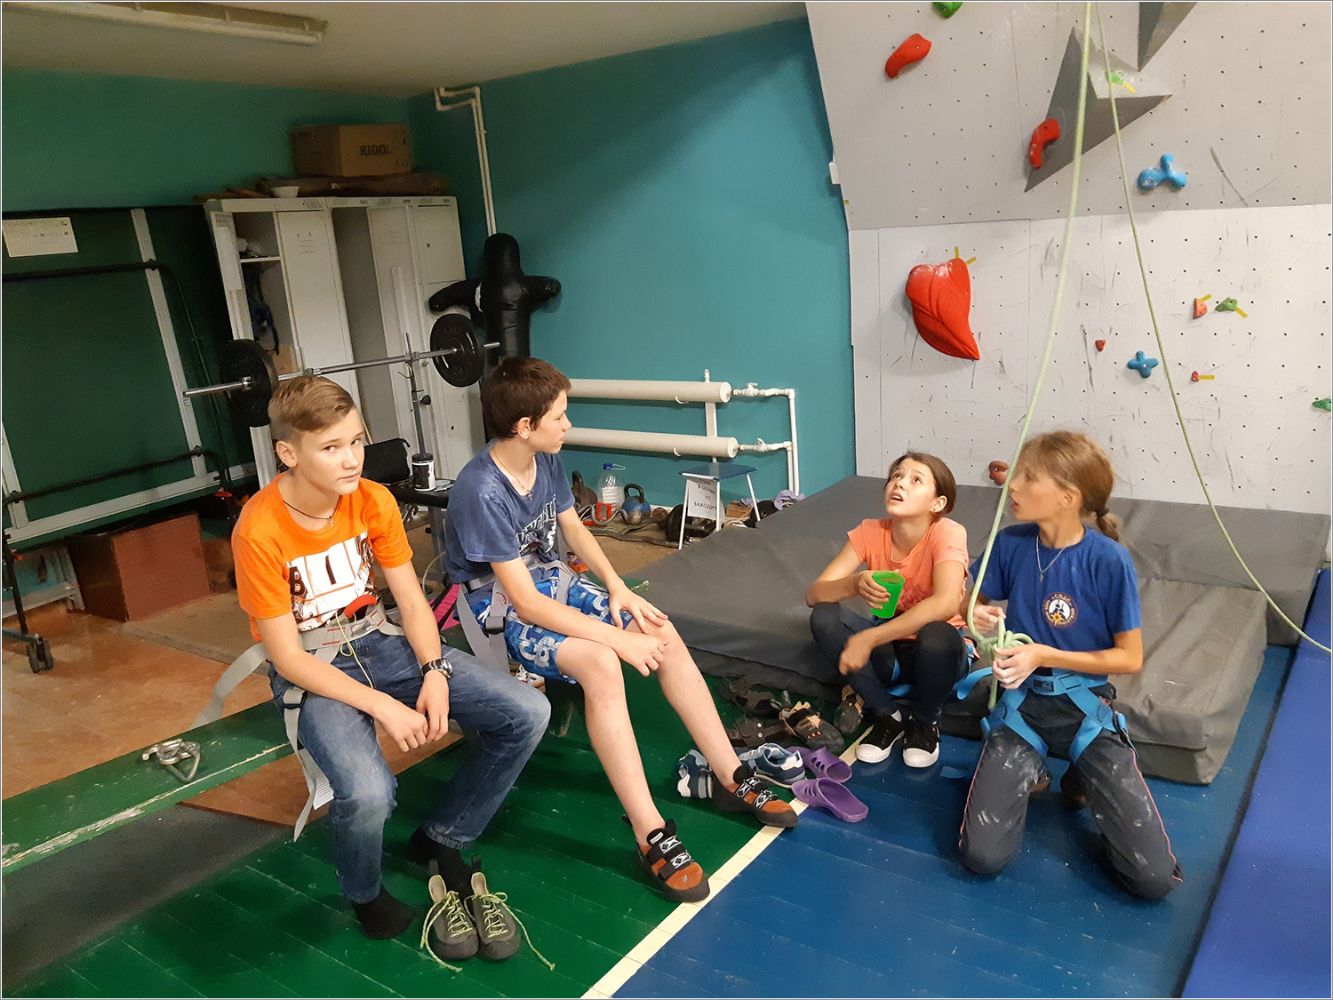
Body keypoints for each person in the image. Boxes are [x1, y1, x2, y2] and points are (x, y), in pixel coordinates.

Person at [444, 356, 797, 904]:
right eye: (559, 417)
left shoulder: (545, 457)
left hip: (550, 583)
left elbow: (574, 532)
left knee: (660, 628)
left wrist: (618, 589)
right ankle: (649, 831)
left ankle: (729, 774)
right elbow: (525, 604)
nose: (568, 425)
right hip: (501, 608)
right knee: (602, 663)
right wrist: (616, 638)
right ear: (524, 426)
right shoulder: (481, 489)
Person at [232, 375, 550, 963]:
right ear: (288, 453)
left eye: (356, 441)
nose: (351, 458)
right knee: (369, 791)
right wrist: (383, 706)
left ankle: (442, 835)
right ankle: (363, 891)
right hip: (314, 664)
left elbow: (410, 600)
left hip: (380, 639)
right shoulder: (258, 530)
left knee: (527, 711)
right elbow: (286, 657)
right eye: (331, 447)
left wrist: (433, 670)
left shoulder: (372, 499)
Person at [958, 430, 1181, 899]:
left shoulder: (1108, 561)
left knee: (1153, 880)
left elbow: (1129, 657)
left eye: (1028, 477)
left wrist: (1043, 654)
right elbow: (968, 601)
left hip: (1085, 711)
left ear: (1067, 497)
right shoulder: (1011, 543)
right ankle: (1038, 768)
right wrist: (974, 612)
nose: (1013, 485)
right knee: (982, 857)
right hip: (1023, 708)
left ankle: (1080, 771)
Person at [806, 452, 974, 767]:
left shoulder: (948, 532)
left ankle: (925, 722)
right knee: (825, 616)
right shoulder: (870, 532)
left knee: (936, 634)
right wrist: (854, 584)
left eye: (915, 480)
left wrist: (869, 638)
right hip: (891, 652)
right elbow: (814, 594)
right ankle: (887, 715)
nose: (900, 484)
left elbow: (947, 602)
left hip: (939, 654)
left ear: (937, 503)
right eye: (897, 476)